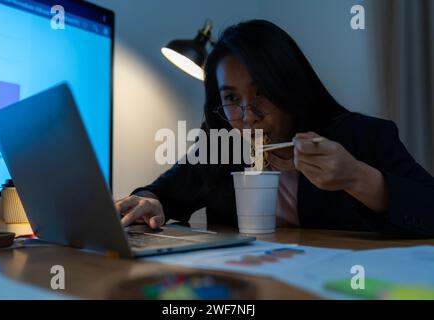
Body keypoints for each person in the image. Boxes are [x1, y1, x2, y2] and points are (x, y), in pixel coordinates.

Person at [115, 20, 434, 237]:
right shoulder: (224, 146)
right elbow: (165, 193)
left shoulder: (362, 136)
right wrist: (150, 201)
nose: (248, 115)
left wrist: (356, 177)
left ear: (290, 85)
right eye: (231, 97)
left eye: (262, 92)